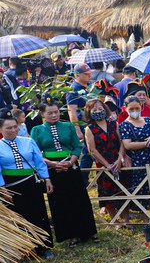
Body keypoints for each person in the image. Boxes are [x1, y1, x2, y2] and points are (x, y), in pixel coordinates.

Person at [31, 100, 99, 245]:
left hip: (71, 166)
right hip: (52, 169)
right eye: (49, 113)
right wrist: (52, 163)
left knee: (80, 199)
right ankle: (70, 234)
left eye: (56, 112)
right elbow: (36, 153)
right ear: (42, 114)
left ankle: (88, 232)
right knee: (61, 202)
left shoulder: (68, 126)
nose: (54, 115)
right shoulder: (37, 130)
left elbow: (76, 146)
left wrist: (70, 161)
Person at [0, 109, 54, 258]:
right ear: (1, 129)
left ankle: (44, 246)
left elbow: (39, 161)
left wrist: (47, 178)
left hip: (31, 183)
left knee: (38, 214)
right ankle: (25, 250)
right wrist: (2, 188)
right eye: (8, 128)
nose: (13, 130)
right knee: (19, 217)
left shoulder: (28, 141)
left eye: (15, 126)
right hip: (12, 187)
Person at [83, 97, 125, 217]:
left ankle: (125, 217)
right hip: (103, 163)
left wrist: (120, 158)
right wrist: (107, 165)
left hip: (117, 160)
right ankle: (114, 219)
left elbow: (121, 141)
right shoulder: (89, 129)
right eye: (94, 109)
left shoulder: (113, 123)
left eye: (100, 108)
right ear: (89, 112)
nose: (97, 111)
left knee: (124, 188)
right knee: (107, 192)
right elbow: (92, 150)